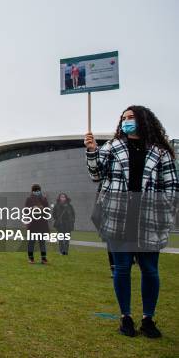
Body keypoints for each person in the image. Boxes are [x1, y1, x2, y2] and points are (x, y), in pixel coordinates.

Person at [84, 105, 178, 338]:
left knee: (150, 270)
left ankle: (148, 318)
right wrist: (92, 151)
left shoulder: (160, 152)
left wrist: (164, 211)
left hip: (148, 218)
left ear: (143, 120)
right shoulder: (113, 147)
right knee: (122, 269)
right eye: (124, 118)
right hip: (118, 216)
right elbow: (96, 175)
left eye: (131, 117)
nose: (127, 121)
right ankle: (126, 316)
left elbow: (172, 186)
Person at [25, 184, 50, 264]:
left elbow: (47, 210)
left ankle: (43, 258)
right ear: (32, 191)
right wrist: (32, 208)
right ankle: (31, 258)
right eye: (35, 190)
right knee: (31, 241)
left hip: (42, 223)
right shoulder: (29, 199)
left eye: (38, 190)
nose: (37, 192)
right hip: (32, 224)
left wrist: (43, 206)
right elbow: (25, 211)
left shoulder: (43, 199)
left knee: (42, 242)